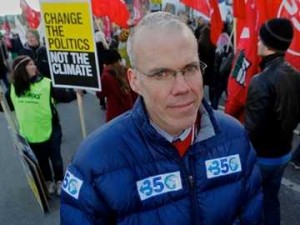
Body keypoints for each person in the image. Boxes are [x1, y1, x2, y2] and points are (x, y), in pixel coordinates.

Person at [61, 12, 262, 225]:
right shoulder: (93, 162)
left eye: (190, 68)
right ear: (135, 81)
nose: (182, 88)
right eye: (161, 74)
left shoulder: (235, 137)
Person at [245, 18, 300, 225]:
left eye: (260, 39)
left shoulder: (261, 80)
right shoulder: (296, 75)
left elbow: (252, 130)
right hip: (284, 154)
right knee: (271, 200)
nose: (257, 43)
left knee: (250, 204)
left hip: (262, 158)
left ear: (267, 44)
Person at [1, 55, 77, 195]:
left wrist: (76, 93)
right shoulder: (14, 89)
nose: (34, 66)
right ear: (21, 69)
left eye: (33, 64)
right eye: (30, 64)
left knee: (56, 159)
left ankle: (59, 181)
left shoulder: (46, 83)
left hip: (51, 128)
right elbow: (5, 107)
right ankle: (48, 181)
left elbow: (63, 96)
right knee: (42, 161)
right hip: (30, 132)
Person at [96, 49, 136, 122]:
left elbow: (100, 94)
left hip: (115, 114)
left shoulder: (106, 76)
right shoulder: (126, 71)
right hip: (131, 111)